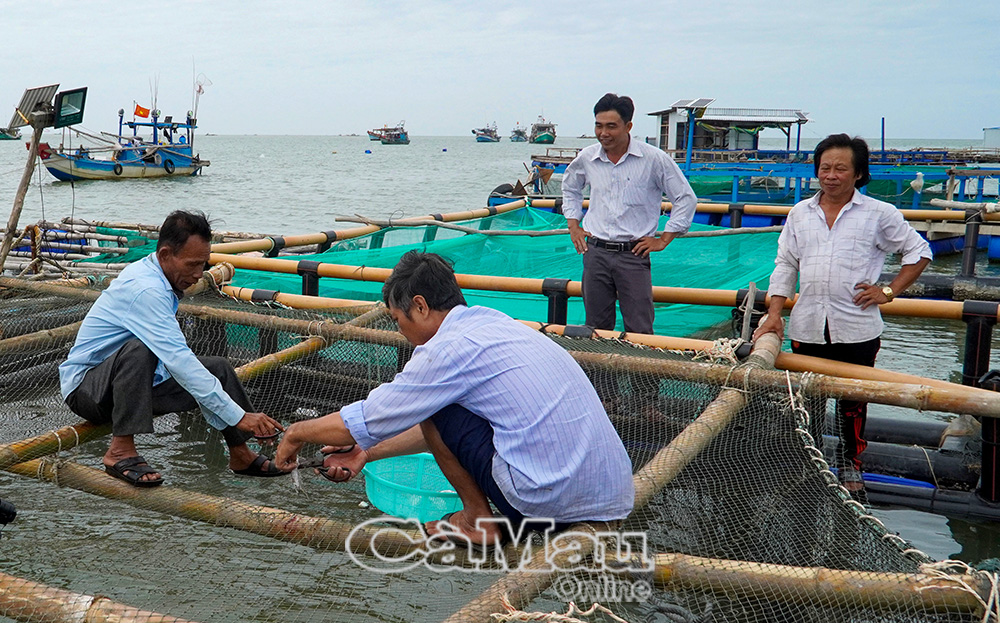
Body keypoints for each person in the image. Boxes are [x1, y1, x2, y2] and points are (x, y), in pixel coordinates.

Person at [274, 251, 634, 546]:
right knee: (440, 410)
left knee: (436, 409)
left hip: (549, 500)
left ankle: (477, 522)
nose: (400, 330)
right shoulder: (498, 325)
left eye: (398, 319)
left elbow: (366, 420)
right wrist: (366, 453)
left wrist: (295, 433)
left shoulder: (446, 350)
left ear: (420, 306)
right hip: (611, 495)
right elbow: (446, 433)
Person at [753, 134, 931, 492]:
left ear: (858, 173)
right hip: (807, 325)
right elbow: (785, 264)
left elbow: (919, 251)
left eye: (840, 169)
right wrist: (774, 314)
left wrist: (888, 291)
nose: (831, 176)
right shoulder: (800, 213)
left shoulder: (879, 213)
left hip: (857, 328)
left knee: (853, 401)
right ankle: (806, 461)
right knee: (807, 398)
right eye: (825, 168)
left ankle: (851, 464)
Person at [59, 210, 286, 487]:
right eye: (192, 265)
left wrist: (237, 417)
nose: (198, 274)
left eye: (203, 264)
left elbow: (180, 363)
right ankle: (120, 449)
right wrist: (238, 416)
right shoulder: (146, 290)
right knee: (140, 349)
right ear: (165, 255)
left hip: (133, 386)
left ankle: (240, 453)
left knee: (218, 369)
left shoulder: (158, 275)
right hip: (87, 390)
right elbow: (178, 359)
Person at [562, 93, 698, 334]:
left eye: (611, 126)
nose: (603, 133)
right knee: (596, 328)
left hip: (633, 254)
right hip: (595, 253)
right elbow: (570, 187)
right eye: (598, 126)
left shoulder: (654, 159)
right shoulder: (587, 158)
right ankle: (600, 362)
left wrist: (663, 239)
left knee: (639, 328)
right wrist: (574, 226)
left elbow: (685, 198)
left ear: (628, 126)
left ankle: (639, 361)